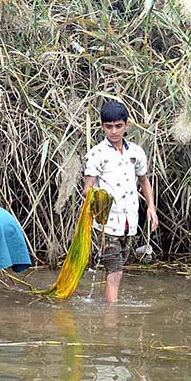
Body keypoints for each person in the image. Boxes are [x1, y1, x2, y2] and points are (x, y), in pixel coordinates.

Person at [83, 101, 158, 303]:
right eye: (109, 127)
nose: (114, 131)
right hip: (106, 222)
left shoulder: (136, 152)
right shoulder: (97, 154)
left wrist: (151, 208)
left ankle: (107, 307)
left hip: (129, 221)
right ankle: (111, 318)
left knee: (118, 267)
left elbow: (143, 180)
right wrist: (97, 204)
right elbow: (88, 189)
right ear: (102, 126)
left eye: (118, 126)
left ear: (126, 125)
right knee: (115, 270)